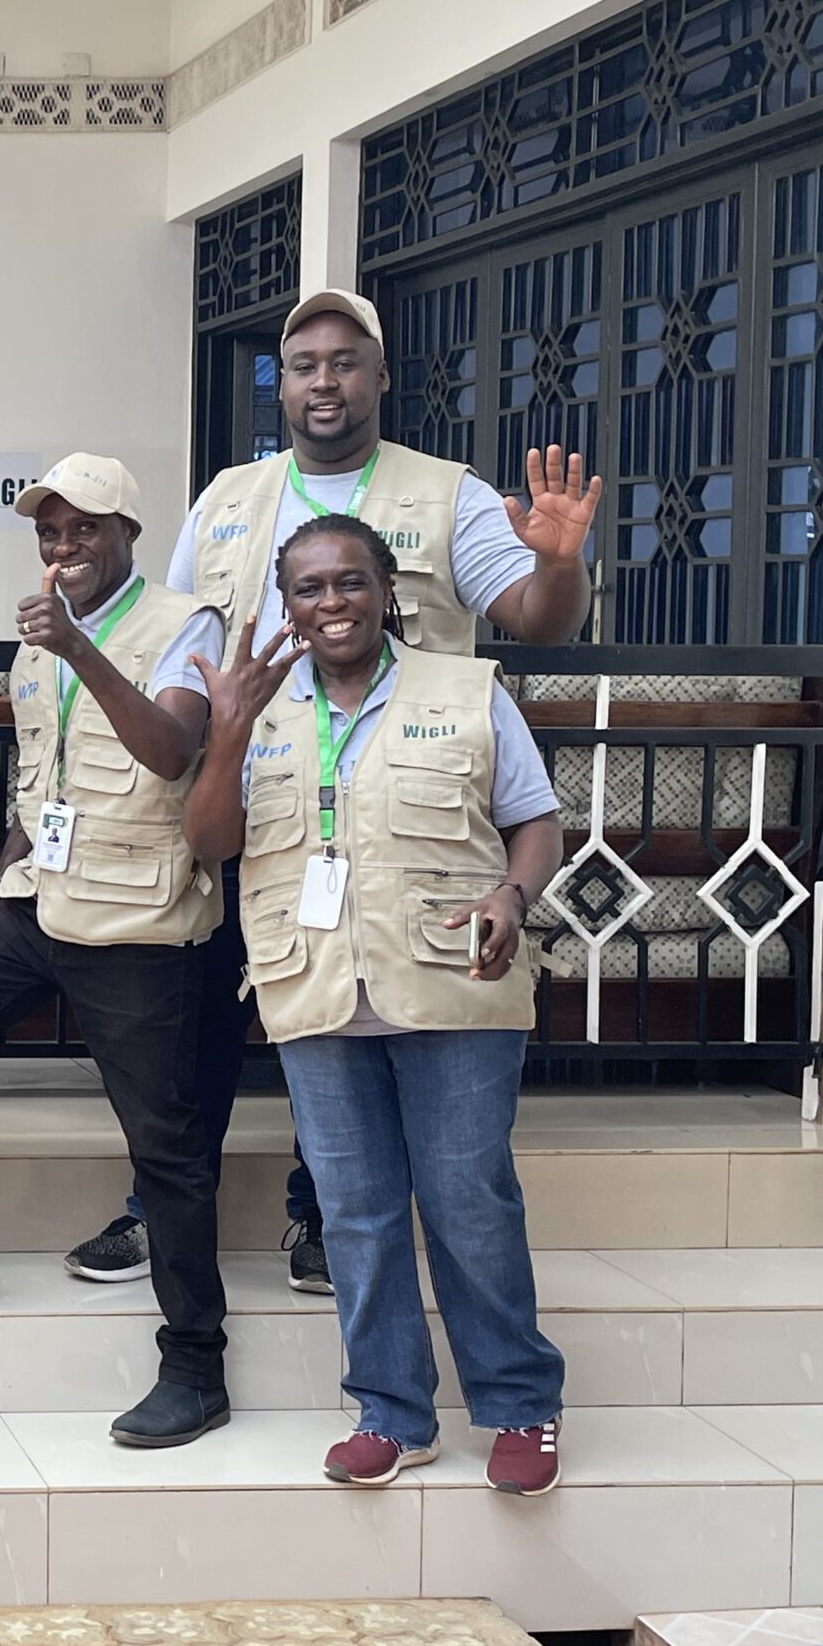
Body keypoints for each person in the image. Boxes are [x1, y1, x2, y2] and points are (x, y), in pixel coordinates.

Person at [64, 286, 601, 1294]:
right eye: (302, 363)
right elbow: (176, 635)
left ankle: (321, 1216)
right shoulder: (228, 498)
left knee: (362, 1016)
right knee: (202, 1012)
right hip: (256, 800)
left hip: (397, 821)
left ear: (379, 377)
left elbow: (536, 616)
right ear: (281, 382)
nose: (323, 380)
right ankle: (161, 1202)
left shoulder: (449, 495)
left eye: (344, 361)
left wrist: (560, 563)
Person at [184, 513, 568, 1494]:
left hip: (451, 986)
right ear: (286, 604)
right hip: (315, 989)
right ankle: (392, 1413)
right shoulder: (258, 709)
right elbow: (210, 842)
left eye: (347, 582)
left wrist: (511, 897)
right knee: (354, 1213)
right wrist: (226, 734)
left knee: (467, 1201)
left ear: (385, 589)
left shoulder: (463, 690)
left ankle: (520, 1404)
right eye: (306, 589)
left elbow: (533, 820)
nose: (328, 604)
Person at [0, 455, 232, 1447]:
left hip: (137, 924)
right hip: (41, 901)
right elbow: (51, 775)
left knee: (163, 1147)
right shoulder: (40, 637)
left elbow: (169, 750)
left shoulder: (183, 625)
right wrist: (8, 866)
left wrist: (78, 650)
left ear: (128, 532)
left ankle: (195, 1364)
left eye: (83, 530)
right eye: (49, 532)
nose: (62, 549)